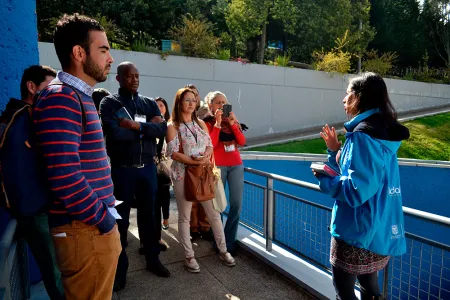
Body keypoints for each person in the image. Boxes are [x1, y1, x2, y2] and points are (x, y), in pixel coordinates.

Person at [33, 14, 121, 300]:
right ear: (79, 53)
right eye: (104, 49)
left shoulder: (77, 96)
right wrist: (103, 220)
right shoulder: (63, 97)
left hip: (88, 230)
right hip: (85, 231)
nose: (110, 59)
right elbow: (65, 177)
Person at [314, 72, 409, 300]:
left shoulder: (362, 136)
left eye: (347, 94)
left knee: (344, 292)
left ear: (358, 97)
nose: (343, 99)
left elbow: (357, 191)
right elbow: (364, 175)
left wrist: (325, 179)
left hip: (356, 231)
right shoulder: (382, 130)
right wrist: (335, 151)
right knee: (370, 289)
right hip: (378, 230)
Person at [100, 61, 170, 290]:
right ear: (119, 78)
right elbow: (115, 133)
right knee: (120, 221)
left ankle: (152, 259)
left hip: (147, 169)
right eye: (129, 76)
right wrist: (145, 130)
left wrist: (135, 126)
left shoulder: (148, 103)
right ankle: (120, 271)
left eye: (137, 75)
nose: (134, 79)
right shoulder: (109, 103)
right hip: (122, 170)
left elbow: (162, 129)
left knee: (149, 217)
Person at [0, 65, 64, 300]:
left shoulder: (29, 116)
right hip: (37, 213)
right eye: (50, 87)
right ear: (31, 87)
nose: (56, 94)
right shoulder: (20, 120)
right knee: (55, 272)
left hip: (41, 210)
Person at [166, 87, 236, 273]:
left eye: (194, 100)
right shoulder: (172, 126)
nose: (191, 103)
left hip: (203, 173)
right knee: (185, 216)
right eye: (187, 100)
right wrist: (192, 161)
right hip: (183, 175)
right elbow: (172, 153)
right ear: (179, 102)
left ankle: (223, 250)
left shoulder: (200, 124)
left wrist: (205, 157)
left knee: (213, 214)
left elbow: (210, 146)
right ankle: (189, 256)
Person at [204, 91, 246, 255]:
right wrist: (218, 124)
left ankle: (230, 240)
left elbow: (242, 141)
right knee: (219, 205)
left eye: (224, 102)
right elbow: (212, 144)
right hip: (218, 166)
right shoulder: (207, 123)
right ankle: (219, 240)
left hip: (236, 165)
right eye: (218, 102)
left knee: (236, 204)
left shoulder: (232, 122)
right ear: (210, 106)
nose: (221, 105)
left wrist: (233, 123)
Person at [184, 84, 213, 241]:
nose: (192, 99)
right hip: (188, 164)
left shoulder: (206, 114)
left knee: (205, 196)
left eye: (195, 96)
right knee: (192, 197)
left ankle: (205, 226)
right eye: (189, 97)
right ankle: (193, 227)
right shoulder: (180, 117)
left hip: (205, 162)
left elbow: (210, 140)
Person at [155, 97, 171, 230]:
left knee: (165, 194)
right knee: (155, 196)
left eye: (162, 105)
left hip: (166, 165)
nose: (159, 107)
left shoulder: (170, 124)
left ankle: (166, 219)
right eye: (157, 105)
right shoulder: (151, 124)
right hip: (152, 164)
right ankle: (155, 223)